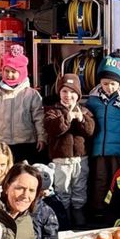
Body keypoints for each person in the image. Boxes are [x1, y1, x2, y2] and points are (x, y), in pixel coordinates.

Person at [83, 56, 120, 218]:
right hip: (99, 148)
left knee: (118, 179)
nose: (108, 87)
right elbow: (87, 112)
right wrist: (85, 112)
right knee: (99, 178)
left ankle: (117, 210)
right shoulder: (94, 99)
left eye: (112, 84)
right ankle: (99, 210)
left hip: (119, 148)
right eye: (105, 83)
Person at [43, 74, 96, 227]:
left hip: (81, 159)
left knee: (80, 186)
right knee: (62, 188)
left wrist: (82, 120)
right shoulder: (53, 111)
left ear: (78, 95)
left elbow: (91, 131)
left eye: (72, 92)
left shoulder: (85, 111)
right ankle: (63, 214)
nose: (68, 96)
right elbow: (52, 129)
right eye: (64, 91)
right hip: (61, 160)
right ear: (59, 93)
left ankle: (78, 210)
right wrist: (67, 116)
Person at [0, 48, 46, 164]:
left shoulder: (31, 94)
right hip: (2, 144)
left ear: (22, 72)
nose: (9, 75)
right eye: (7, 71)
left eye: (14, 71)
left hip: (26, 143)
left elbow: (39, 118)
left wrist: (42, 137)